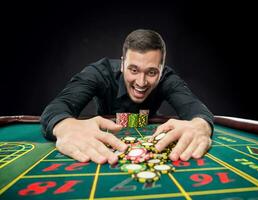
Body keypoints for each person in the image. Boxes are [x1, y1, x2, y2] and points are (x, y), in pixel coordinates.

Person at [41, 29, 214, 165]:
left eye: (152, 72)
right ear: (123, 63)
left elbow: (195, 108)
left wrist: (200, 125)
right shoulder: (99, 73)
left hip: (149, 133)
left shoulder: (168, 79)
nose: (141, 82)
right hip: (107, 139)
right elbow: (57, 106)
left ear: (161, 70)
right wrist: (65, 126)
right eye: (134, 69)